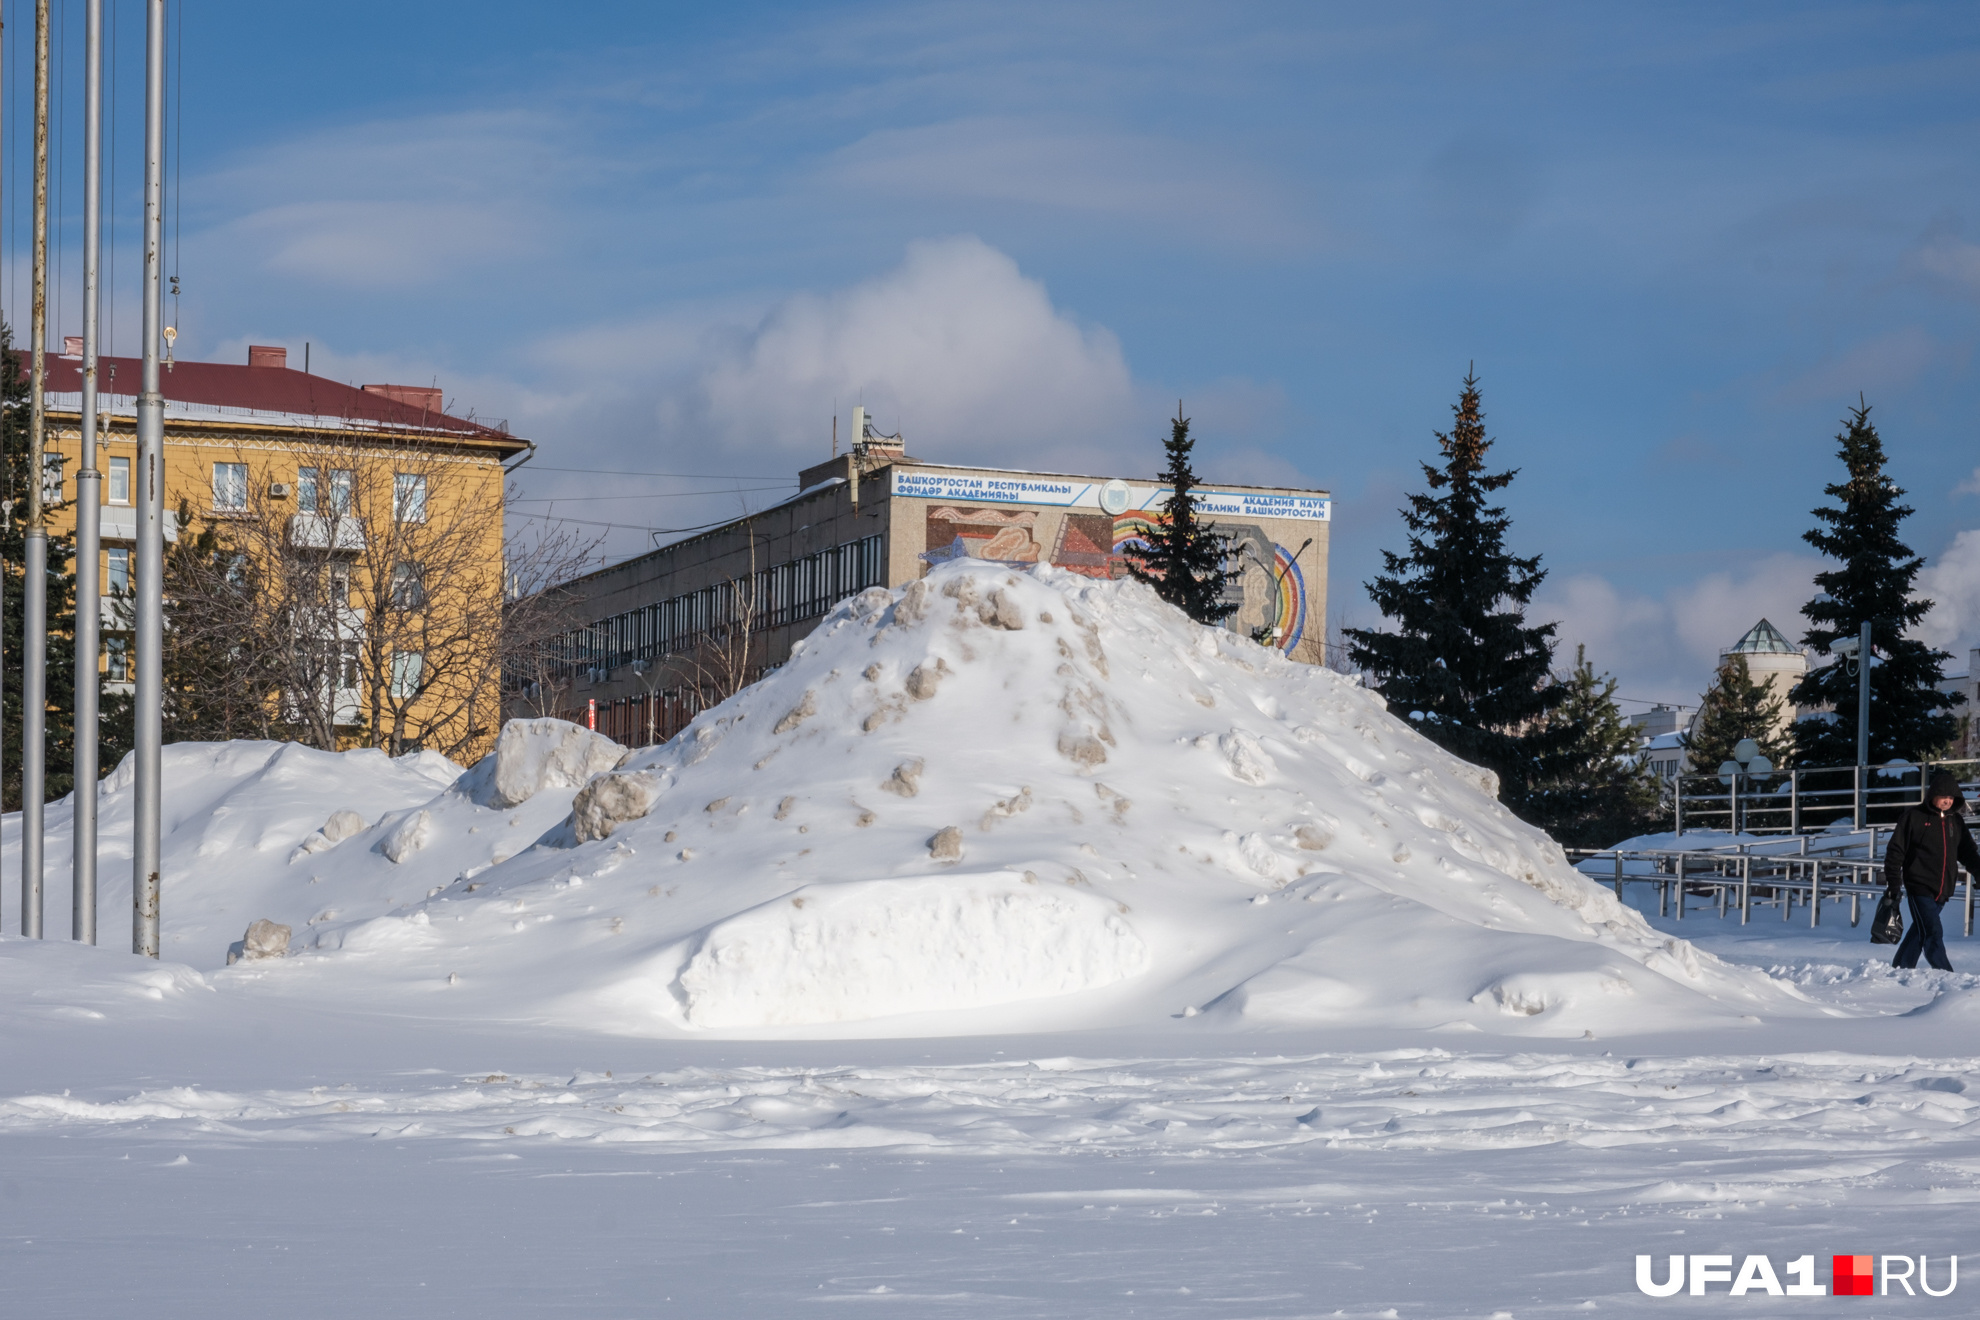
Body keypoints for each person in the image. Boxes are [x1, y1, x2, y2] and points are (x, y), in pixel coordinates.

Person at [1883, 769, 1980, 972]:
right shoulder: (1914, 817)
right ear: (1932, 796)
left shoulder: (1956, 821)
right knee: (1933, 931)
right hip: (1919, 886)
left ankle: (1901, 968)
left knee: (1921, 930)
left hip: (1943, 888)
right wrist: (1894, 883)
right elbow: (1895, 851)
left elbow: (1968, 853)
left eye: (1951, 797)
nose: (1947, 801)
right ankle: (1946, 973)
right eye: (1943, 796)